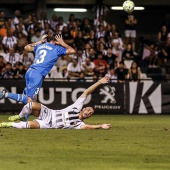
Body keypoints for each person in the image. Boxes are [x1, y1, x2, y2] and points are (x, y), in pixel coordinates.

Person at [0, 76, 111, 130]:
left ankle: (9, 124)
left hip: (49, 125)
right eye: (88, 109)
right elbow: (86, 93)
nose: (88, 112)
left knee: (29, 125)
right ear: (83, 108)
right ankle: (19, 116)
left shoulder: (78, 124)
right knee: (30, 104)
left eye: (90, 113)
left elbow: (88, 127)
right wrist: (99, 82)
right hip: (49, 113)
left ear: (89, 116)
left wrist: (101, 126)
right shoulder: (76, 107)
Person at [0, 34, 75, 104]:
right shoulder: (57, 48)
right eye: (60, 40)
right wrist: (63, 43)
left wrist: (39, 41)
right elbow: (72, 51)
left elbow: (26, 48)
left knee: (32, 99)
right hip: (37, 74)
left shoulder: (40, 45)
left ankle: (24, 118)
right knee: (29, 100)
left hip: (30, 71)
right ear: (56, 40)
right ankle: (6, 94)